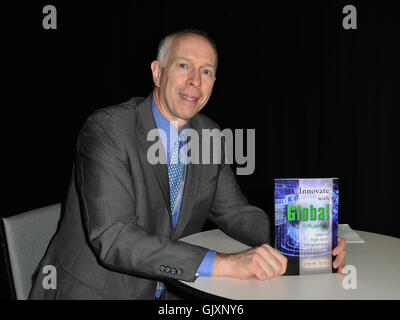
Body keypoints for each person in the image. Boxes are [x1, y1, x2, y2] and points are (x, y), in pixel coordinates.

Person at [29, 29, 346, 300]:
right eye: (184, 66)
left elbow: (235, 211)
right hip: (91, 290)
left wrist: (305, 240)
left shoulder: (209, 133)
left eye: (207, 71)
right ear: (157, 72)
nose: (195, 80)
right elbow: (115, 238)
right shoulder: (108, 129)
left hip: (165, 290)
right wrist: (225, 263)